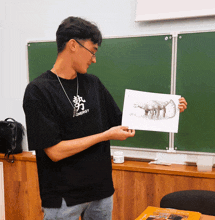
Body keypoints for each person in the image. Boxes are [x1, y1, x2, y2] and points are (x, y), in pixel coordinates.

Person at [23, 16, 187, 220]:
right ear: (73, 45)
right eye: (92, 51)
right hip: (64, 199)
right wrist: (103, 136)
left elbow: (125, 120)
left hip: (101, 192)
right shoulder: (38, 90)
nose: (94, 59)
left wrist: (168, 109)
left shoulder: (93, 84)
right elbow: (55, 151)